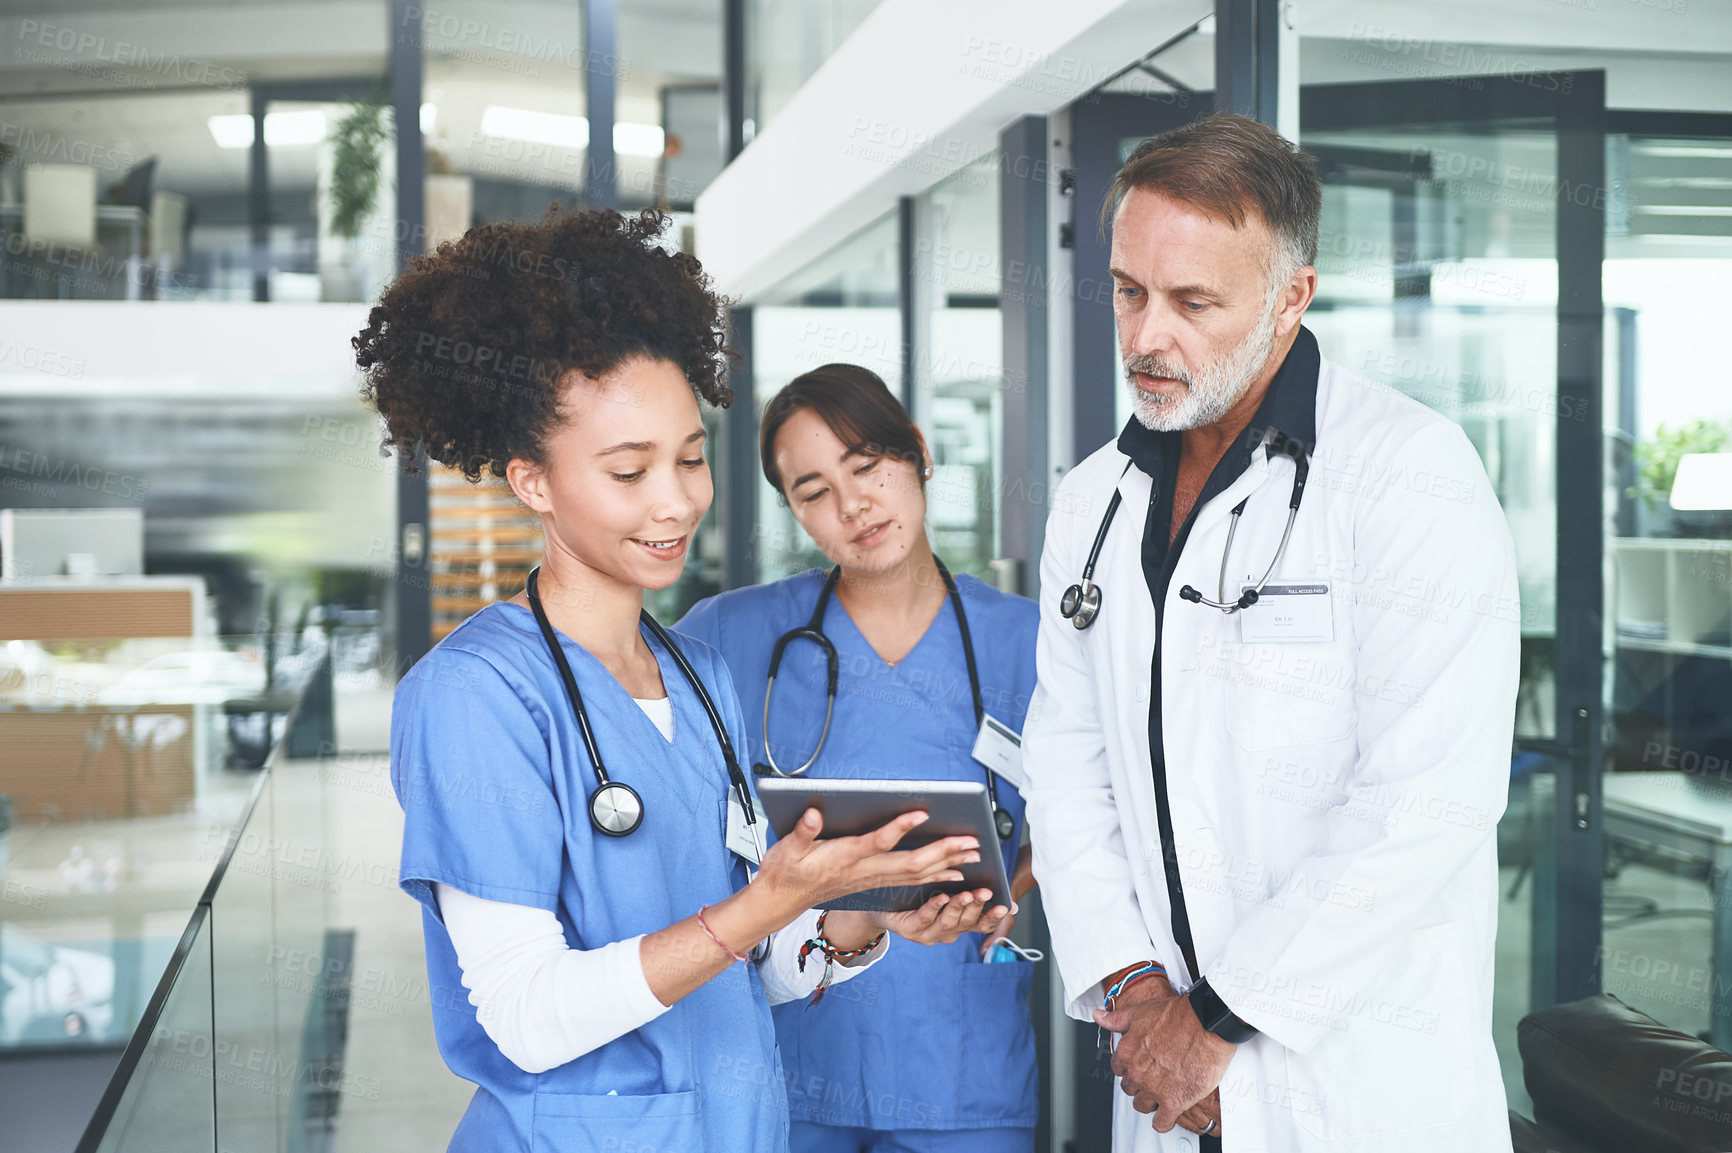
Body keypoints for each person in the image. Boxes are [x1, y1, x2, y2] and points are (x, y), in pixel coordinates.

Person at [358, 208, 1002, 1153]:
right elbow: (528, 1016)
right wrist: (765, 905)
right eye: (629, 472)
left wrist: (859, 911)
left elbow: (754, 972)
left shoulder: (702, 678)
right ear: (532, 480)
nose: (676, 501)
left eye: (691, 459)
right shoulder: (475, 697)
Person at [1022, 113, 1520, 1152]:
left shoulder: (1406, 475)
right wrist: (1132, 991)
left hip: (1352, 1083)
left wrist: (1216, 1021)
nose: (1146, 335)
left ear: (1291, 296)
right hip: (1163, 1078)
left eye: (1192, 301)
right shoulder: (1093, 501)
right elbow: (1068, 764)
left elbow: (1425, 797)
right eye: (1127, 290)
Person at [677, 363, 1042, 1153]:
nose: (853, 505)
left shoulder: (1029, 641)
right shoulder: (730, 635)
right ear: (795, 513)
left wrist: (1008, 889)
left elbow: (1097, 809)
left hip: (961, 1063)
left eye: (867, 465)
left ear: (917, 454)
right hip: (793, 1059)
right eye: (813, 490)